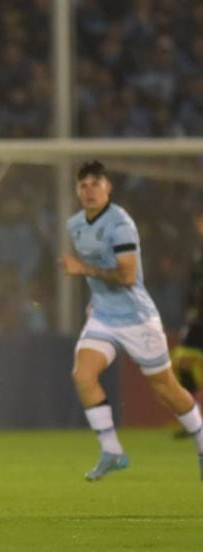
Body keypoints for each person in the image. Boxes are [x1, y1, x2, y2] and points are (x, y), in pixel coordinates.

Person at [60, 160, 203, 481]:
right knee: (83, 375)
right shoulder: (75, 226)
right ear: (77, 191)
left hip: (137, 318)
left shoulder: (120, 224)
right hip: (103, 317)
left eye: (96, 183)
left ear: (108, 187)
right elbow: (97, 269)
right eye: (83, 185)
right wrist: (95, 300)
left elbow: (126, 276)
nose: (90, 190)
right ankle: (112, 451)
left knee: (166, 389)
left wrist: (82, 270)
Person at [170, 209, 203, 429]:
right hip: (198, 319)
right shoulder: (198, 255)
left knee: (183, 360)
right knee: (182, 361)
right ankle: (192, 419)